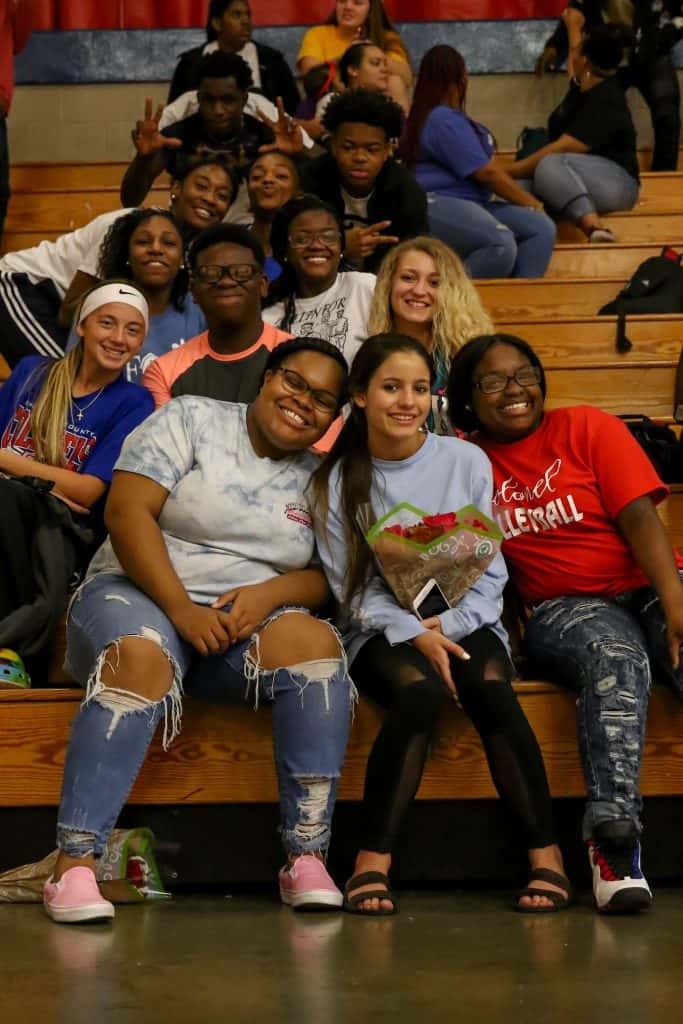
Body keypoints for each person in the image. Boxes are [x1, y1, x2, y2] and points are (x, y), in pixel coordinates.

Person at [43, 337, 355, 925]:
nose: (303, 402)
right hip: (134, 593)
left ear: (333, 417)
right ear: (266, 378)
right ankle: (75, 863)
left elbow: (327, 578)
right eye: (293, 382)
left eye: (322, 399)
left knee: (316, 648)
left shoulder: (321, 478)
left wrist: (268, 595)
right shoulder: (192, 418)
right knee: (143, 655)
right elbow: (126, 512)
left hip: (235, 632)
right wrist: (183, 610)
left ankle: (306, 857)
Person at [311, 333, 570, 915]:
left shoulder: (464, 460)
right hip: (380, 629)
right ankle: (372, 861)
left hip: (468, 615)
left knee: (489, 685)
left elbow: (490, 571)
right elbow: (350, 592)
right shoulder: (336, 480)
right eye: (391, 387)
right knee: (418, 691)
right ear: (360, 395)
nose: (408, 402)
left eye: (420, 388)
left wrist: (446, 629)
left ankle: (547, 856)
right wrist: (415, 635)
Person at [447, 332, 683, 912]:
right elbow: (471, 558)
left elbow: (640, 518)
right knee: (614, 656)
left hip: (650, 584)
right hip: (564, 606)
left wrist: (675, 605)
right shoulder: (464, 462)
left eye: (525, 374)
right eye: (493, 381)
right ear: (467, 397)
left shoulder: (587, 427)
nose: (514, 390)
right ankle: (613, 841)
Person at [0, 282, 154, 677]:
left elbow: (86, 491)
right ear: (82, 326)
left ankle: (10, 650)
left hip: (59, 526)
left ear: (141, 342)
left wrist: (10, 465)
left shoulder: (134, 401)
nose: (118, 338)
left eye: (132, 330)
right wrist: (47, 480)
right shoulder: (32, 372)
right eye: (107, 323)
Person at [0, 154, 235, 370]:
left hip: (69, 313)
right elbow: (69, 311)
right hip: (23, 287)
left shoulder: (192, 253)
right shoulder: (127, 227)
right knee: (59, 378)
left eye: (222, 196)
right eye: (201, 186)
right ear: (176, 188)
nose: (209, 198)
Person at [400, 45, 556, 280]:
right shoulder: (440, 118)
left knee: (540, 228)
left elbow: (488, 168)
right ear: (462, 77)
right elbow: (487, 173)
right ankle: (450, 298)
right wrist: (532, 202)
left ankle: (518, 299)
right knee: (500, 244)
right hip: (438, 202)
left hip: (474, 203)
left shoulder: (452, 119)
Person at [120, 51, 304, 211]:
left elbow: (313, 187)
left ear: (244, 99)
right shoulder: (177, 137)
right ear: (199, 98)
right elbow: (130, 200)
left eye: (228, 100)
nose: (218, 110)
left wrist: (297, 154)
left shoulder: (264, 136)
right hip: (190, 228)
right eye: (209, 100)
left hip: (249, 228)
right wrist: (143, 159)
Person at [511, 26, 639, 244]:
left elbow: (561, 148)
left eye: (577, 51)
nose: (573, 55)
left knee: (548, 163)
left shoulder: (607, 97)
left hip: (618, 184)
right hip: (571, 178)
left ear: (585, 60)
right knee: (516, 188)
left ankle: (594, 228)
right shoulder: (579, 88)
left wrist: (508, 170)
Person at [143, 223, 291, 408]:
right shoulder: (164, 372)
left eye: (241, 272)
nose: (226, 282)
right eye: (211, 273)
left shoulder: (300, 358)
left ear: (262, 285)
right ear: (193, 290)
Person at [536, 1, 682, 171]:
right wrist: (554, 45)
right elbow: (576, 12)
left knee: (667, 114)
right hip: (608, 58)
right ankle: (604, 171)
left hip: (651, 54)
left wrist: (666, 37)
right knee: (592, 113)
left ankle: (664, 175)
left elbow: (679, 14)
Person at [367, 235, 492, 430]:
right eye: (408, 278)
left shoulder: (472, 356)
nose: (419, 291)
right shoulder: (370, 354)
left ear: (451, 292)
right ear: (388, 284)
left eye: (434, 282)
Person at [300, 90, 428, 274]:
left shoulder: (407, 193)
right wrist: (340, 246)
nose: (359, 157)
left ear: (387, 151)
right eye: (348, 147)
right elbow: (293, 248)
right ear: (333, 146)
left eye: (372, 149)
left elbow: (417, 259)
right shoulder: (309, 182)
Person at [87, 209, 205, 384]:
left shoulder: (200, 308)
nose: (156, 249)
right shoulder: (99, 305)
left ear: (182, 258)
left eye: (169, 243)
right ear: (127, 254)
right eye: (143, 242)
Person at [263, 195, 375, 367]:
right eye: (302, 239)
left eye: (328, 236)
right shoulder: (268, 318)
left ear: (341, 246)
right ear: (284, 250)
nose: (316, 245)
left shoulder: (366, 287)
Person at [167, 0, 299, 114]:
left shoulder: (272, 62)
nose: (246, 21)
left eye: (248, 15)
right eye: (237, 15)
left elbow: (293, 112)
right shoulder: (190, 64)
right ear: (217, 23)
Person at [297, 0, 412, 110]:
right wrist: (349, 56)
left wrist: (370, 52)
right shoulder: (317, 34)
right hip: (332, 103)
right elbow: (311, 74)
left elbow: (406, 76)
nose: (347, 7)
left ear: (371, 10)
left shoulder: (387, 37)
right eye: (342, 1)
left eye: (357, 3)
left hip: (376, 103)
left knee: (394, 81)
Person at [246, 150, 302, 283]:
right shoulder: (230, 240)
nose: (267, 179)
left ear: (297, 191)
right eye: (257, 176)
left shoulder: (307, 251)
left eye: (281, 176)